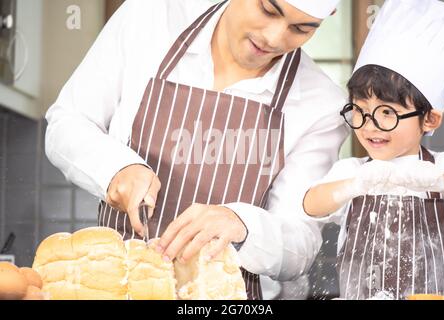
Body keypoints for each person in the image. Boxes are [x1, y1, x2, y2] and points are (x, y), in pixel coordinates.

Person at [45, 0, 348, 299]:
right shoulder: (150, 18)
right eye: (268, 10)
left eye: (301, 29)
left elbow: (300, 245)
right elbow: (68, 121)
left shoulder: (321, 103)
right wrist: (116, 168)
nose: (273, 38)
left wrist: (242, 224)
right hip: (119, 290)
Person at [302, 0, 444, 300]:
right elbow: (311, 204)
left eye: (387, 113)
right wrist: (358, 184)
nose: (369, 126)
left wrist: (435, 181)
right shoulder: (353, 170)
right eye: (359, 110)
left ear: (430, 118)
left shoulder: (442, 166)